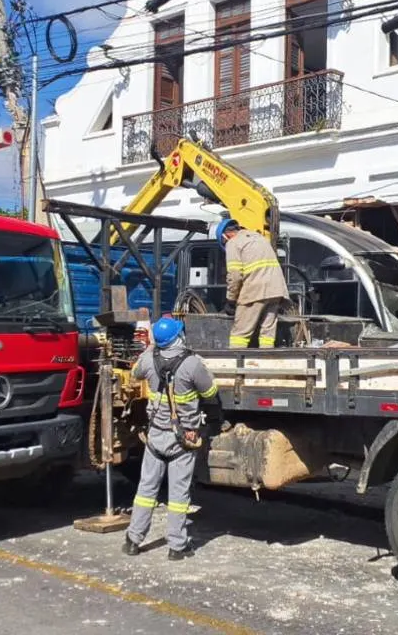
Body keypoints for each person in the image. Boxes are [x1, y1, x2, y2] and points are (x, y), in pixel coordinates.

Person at [123, 316, 221, 560]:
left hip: (156, 434)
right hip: (183, 437)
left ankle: (133, 539)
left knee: (146, 489)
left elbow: (134, 374)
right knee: (178, 495)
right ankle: (177, 546)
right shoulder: (192, 363)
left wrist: (150, 351)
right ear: (178, 337)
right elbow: (210, 392)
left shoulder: (148, 358)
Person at [216, 218, 288, 348]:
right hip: (276, 290)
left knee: (240, 334)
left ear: (225, 236)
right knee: (267, 333)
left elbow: (235, 276)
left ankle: (235, 360)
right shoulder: (260, 238)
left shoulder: (233, 242)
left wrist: (231, 300)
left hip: (255, 291)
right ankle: (266, 359)